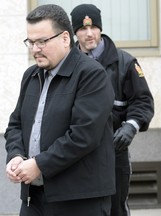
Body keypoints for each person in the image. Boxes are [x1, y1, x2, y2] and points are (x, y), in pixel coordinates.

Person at [5, 4, 115, 216]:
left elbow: (84, 135)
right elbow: (16, 124)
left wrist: (39, 164)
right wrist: (16, 155)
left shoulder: (91, 74)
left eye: (42, 42)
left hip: (79, 199)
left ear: (65, 38)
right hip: (33, 197)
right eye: (31, 42)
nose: (35, 48)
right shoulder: (31, 76)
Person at [70, 4, 154, 216]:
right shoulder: (66, 63)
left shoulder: (125, 62)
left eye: (94, 28)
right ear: (73, 32)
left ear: (100, 28)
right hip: (75, 154)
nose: (89, 34)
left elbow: (143, 101)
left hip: (114, 153)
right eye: (82, 29)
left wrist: (130, 126)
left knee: (116, 209)